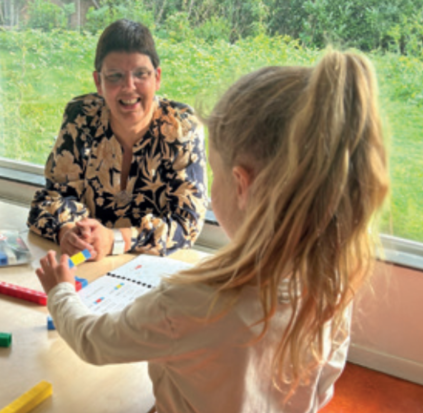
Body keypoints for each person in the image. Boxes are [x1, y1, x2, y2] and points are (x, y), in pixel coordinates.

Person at [35, 50, 389, 412]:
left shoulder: (190, 302)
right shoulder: (333, 280)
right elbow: (323, 386)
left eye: (215, 173)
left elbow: (93, 342)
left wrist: (61, 290)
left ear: (241, 184)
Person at [27, 19, 208, 260]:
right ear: (98, 82)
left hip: (150, 268)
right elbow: (52, 198)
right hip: (88, 262)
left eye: (141, 74)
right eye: (115, 76)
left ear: (157, 78)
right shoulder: (81, 117)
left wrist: (115, 240)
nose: (129, 87)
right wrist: (68, 232)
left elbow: (186, 226)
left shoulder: (181, 128)